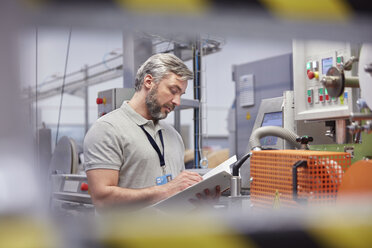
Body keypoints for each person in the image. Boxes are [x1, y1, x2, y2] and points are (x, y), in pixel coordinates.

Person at [84, 53, 219, 210]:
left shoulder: (173, 135)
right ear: (149, 81)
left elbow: (178, 195)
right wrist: (166, 189)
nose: (177, 101)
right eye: (173, 90)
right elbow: (102, 199)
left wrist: (199, 201)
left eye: (180, 94)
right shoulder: (107, 128)